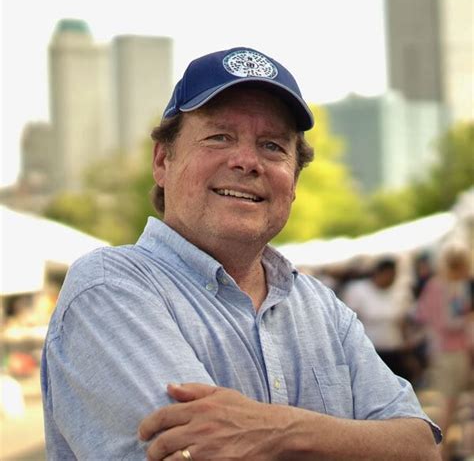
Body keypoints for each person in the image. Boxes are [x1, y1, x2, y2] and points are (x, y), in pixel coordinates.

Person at [41, 47, 441, 460]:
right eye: (219, 137)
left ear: (294, 181)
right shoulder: (109, 288)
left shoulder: (321, 307)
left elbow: (422, 449)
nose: (248, 161)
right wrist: (350, 440)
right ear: (162, 161)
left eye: (272, 146)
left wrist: (278, 431)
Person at [416, 244, 473, 443]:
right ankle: (442, 451)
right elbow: (450, 322)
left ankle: (444, 449)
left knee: (451, 404)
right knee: (450, 405)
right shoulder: (450, 287)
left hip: (444, 350)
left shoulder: (436, 285)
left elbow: (421, 314)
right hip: (452, 351)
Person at [342, 258, 417, 382]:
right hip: (368, 351)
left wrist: (407, 347)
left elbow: (402, 321)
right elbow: (348, 322)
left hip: (394, 349)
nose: (391, 280)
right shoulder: (358, 290)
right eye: (388, 275)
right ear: (378, 273)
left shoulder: (400, 292)